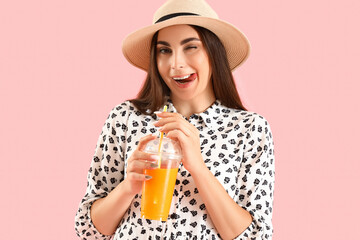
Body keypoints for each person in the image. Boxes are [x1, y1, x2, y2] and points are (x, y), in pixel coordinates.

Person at [74, 0, 275, 239]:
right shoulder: (126, 118)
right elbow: (88, 230)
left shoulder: (249, 129)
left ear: (213, 51)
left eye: (191, 47)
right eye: (164, 50)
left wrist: (198, 168)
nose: (176, 64)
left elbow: (256, 236)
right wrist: (128, 187)